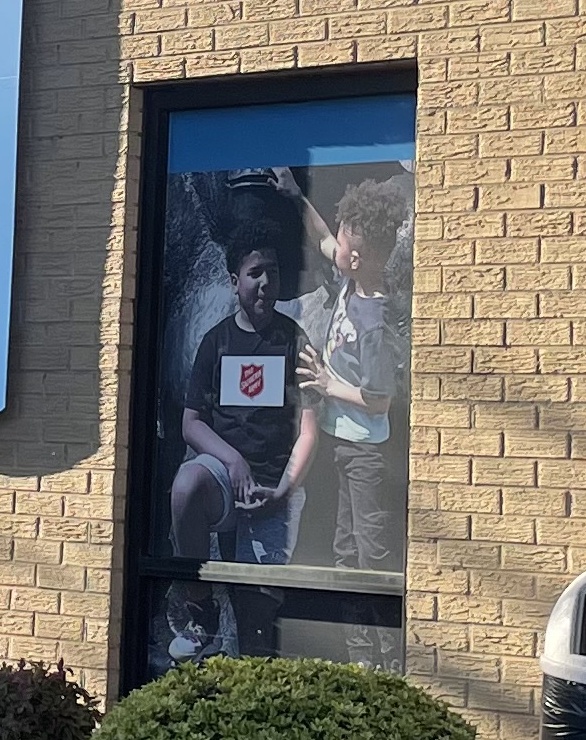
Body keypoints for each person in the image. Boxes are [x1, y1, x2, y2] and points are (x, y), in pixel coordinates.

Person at [171, 225, 314, 566]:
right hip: (223, 479)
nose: (266, 282)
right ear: (235, 282)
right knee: (186, 484)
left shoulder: (294, 340)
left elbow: (309, 430)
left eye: (273, 272)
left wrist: (282, 492)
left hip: (277, 486)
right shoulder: (215, 342)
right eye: (255, 273)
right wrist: (233, 461)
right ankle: (197, 601)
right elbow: (191, 424)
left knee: (259, 607)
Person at [298, 166, 410, 573]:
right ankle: (356, 639)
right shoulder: (351, 281)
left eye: (342, 244)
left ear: (356, 258)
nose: (333, 247)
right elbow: (323, 236)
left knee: (370, 549)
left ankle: (379, 636)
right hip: (340, 441)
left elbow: (379, 402)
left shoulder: (374, 323)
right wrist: (297, 196)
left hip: (364, 452)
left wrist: (328, 384)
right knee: (344, 546)